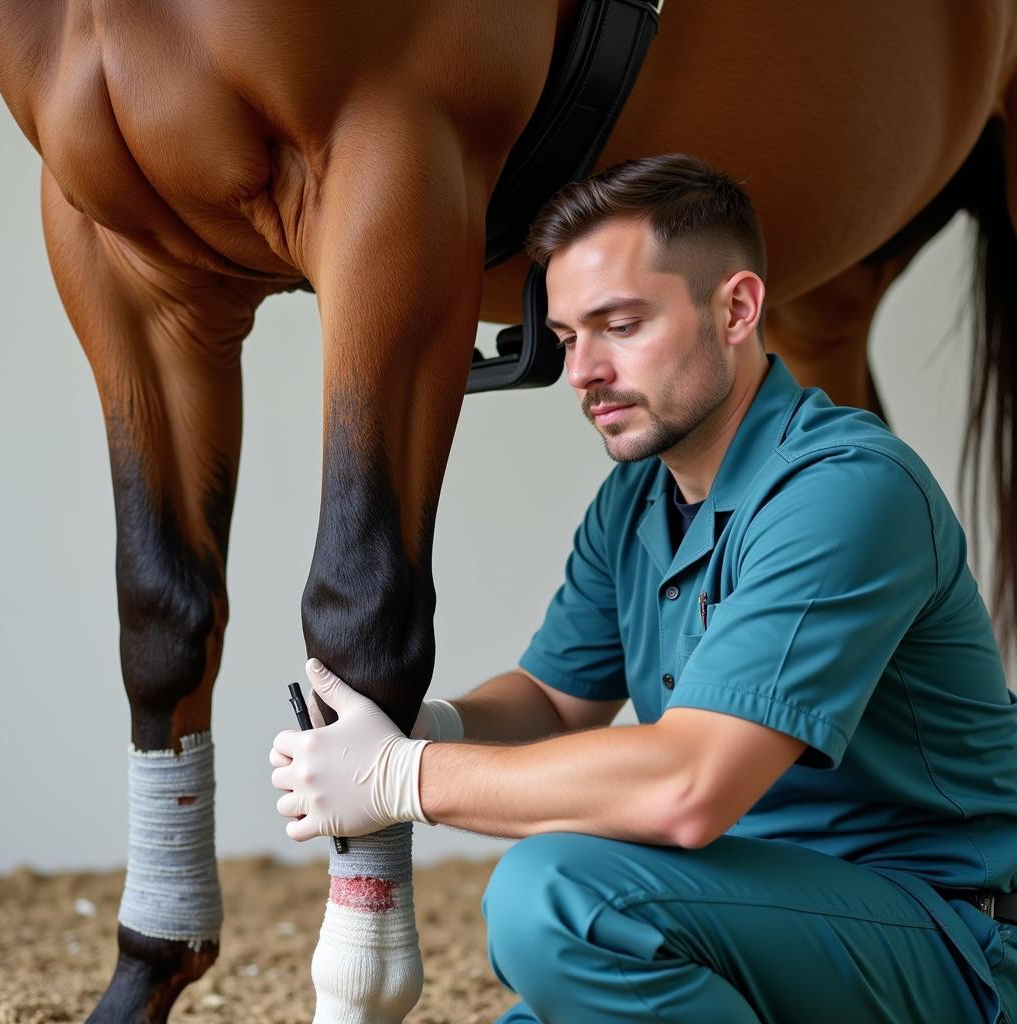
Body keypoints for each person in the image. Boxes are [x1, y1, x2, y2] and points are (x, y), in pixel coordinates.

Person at [270, 154, 1017, 1023]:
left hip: (947, 941)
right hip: (746, 916)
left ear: (736, 308)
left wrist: (405, 777)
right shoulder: (637, 500)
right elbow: (553, 703)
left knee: (557, 900)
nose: (582, 371)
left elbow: (689, 789)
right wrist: (427, 724)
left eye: (619, 324)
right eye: (567, 337)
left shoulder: (846, 490)